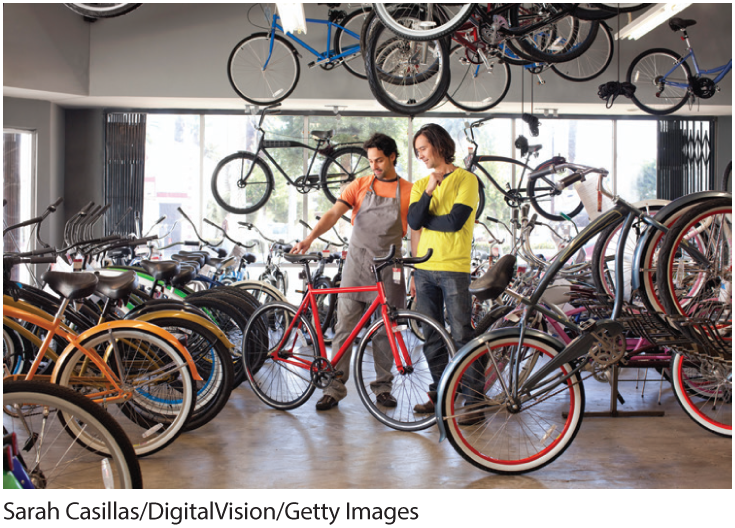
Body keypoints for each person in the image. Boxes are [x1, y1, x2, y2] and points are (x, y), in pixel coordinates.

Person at [291, 133, 414, 411]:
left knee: (387, 331)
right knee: (344, 328)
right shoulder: (359, 185)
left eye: (379, 160)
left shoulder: (409, 190)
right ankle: (334, 388)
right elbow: (334, 213)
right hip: (356, 265)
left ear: (393, 156)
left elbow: (415, 230)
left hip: (390, 268)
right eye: (371, 161)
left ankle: (383, 388)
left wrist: (414, 267)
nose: (375, 166)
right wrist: (310, 239)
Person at [407, 123, 483, 424]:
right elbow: (414, 220)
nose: (420, 155)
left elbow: (454, 222)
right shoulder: (419, 185)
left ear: (439, 145)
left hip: (453, 268)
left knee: (463, 333)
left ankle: (474, 400)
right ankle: (441, 394)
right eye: (417, 152)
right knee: (431, 337)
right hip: (424, 269)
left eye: (423, 148)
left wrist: (427, 219)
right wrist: (429, 190)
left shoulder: (467, 179)